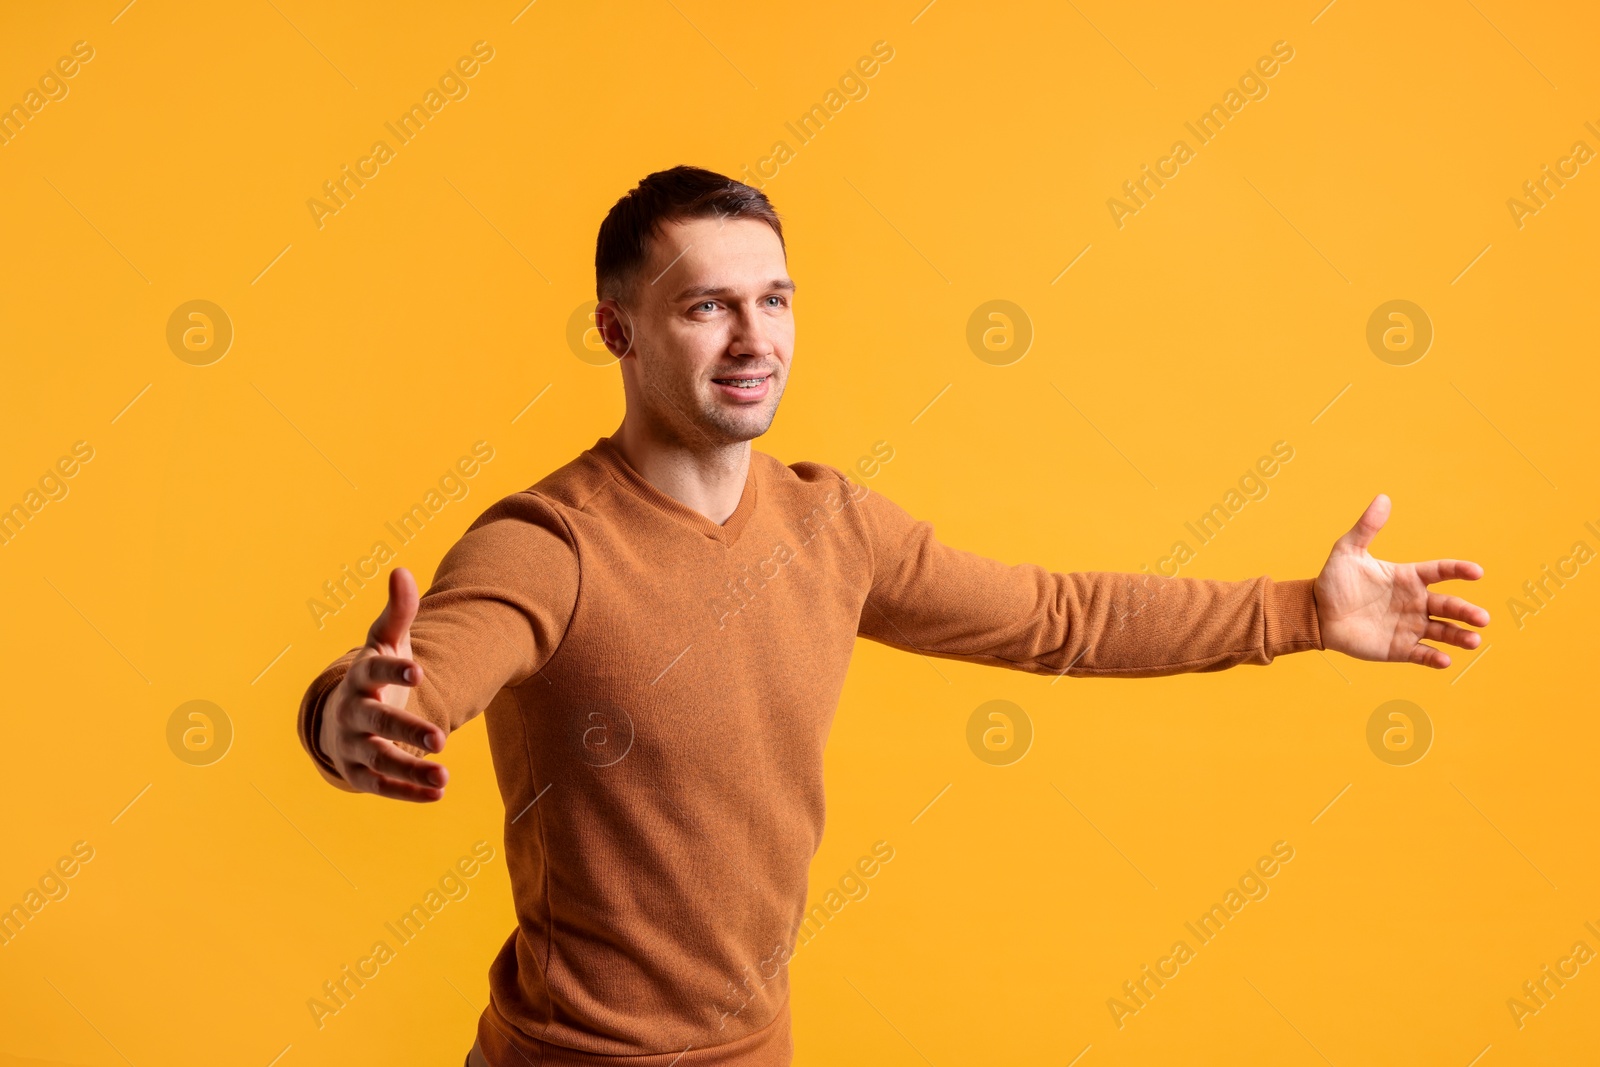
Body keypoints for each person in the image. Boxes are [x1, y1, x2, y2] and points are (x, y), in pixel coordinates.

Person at [294, 165, 1489, 1067]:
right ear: (617, 331)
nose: (755, 338)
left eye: (774, 298)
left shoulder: (832, 526)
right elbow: (428, 668)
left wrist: (1298, 608)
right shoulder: (549, 542)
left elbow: (1061, 617)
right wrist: (355, 710)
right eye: (708, 307)